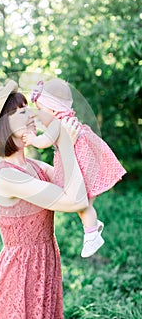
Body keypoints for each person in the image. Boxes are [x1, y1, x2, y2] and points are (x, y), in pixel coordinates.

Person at [0, 80, 89, 319]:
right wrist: (64, 143)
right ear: (3, 126)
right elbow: (75, 202)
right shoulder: (7, 176)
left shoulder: (34, 166)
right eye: (19, 112)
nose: (29, 116)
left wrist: (68, 139)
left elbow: (79, 188)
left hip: (45, 263)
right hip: (20, 274)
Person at [22, 78, 127, 258]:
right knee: (85, 204)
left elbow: (45, 141)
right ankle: (92, 226)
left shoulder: (59, 124)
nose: (39, 114)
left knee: (82, 203)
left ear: (53, 109)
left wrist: (32, 140)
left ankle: (92, 234)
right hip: (85, 163)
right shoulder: (66, 120)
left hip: (80, 165)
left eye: (40, 109)